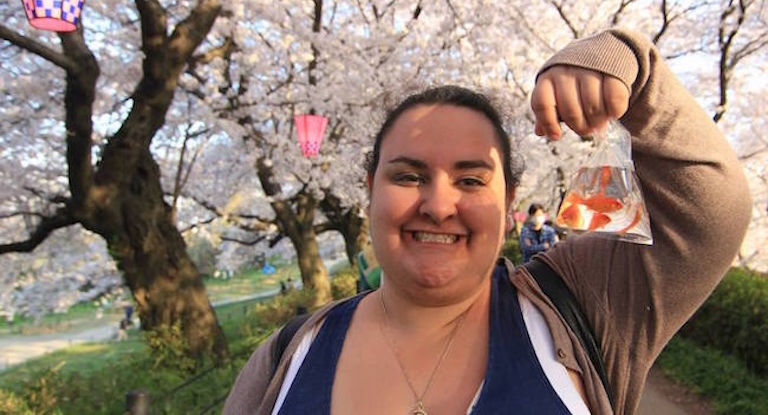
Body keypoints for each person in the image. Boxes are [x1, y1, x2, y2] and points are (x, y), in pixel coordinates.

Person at [223, 28, 751, 415]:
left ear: (509, 200)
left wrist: (627, 63)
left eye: (471, 180)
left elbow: (709, 213)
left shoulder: (581, 306)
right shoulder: (288, 355)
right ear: (369, 191)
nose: (438, 204)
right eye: (408, 176)